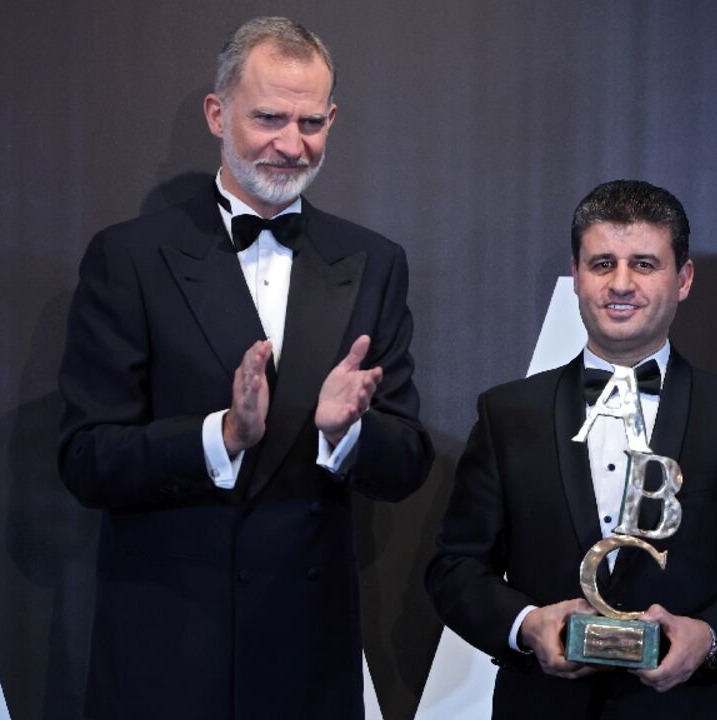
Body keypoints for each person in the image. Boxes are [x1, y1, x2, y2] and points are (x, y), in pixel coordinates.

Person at [58, 17, 433, 719]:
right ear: (217, 113)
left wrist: (344, 433)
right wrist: (223, 435)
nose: (291, 144)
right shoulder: (130, 259)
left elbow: (407, 459)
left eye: (310, 122)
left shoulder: (374, 263)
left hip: (308, 659)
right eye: (268, 118)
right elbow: (85, 460)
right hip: (167, 652)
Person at [426, 179, 717, 718]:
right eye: (603, 263)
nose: (622, 284)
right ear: (577, 276)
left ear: (683, 279)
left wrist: (708, 637)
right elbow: (455, 567)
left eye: (645, 264)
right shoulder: (508, 413)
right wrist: (526, 625)